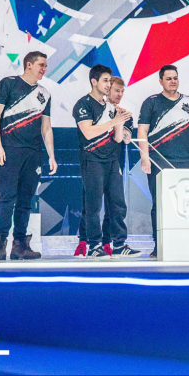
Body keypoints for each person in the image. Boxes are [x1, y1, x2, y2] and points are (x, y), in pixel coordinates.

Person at [0, 51, 57, 261]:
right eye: (41, 65)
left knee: (26, 200)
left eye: (45, 66)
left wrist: (51, 156)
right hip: (10, 149)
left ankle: (20, 245)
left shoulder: (45, 94)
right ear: (29, 65)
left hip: (33, 153)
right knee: (7, 197)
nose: (44, 69)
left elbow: (46, 127)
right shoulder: (8, 84)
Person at [138, 65, 189, 258]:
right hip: (159, 162)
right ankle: (159, 245)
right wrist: (145, 157)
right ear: (161, 81)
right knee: (160, 205)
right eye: (168, 78)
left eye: (175, 78)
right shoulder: (151, 102)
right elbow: (142, 131)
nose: (173, 81)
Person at [74, 74, 142, 259]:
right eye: (116, 90)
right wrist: (112, 122)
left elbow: (123, 139)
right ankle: (87, 242)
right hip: (92, 160)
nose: (119, 94)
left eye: (122, 91)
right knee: (92, 204)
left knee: (116, 205)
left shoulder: (124, 114)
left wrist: (119, 121)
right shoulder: (91, 107)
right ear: (106, 89)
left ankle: (114, 243)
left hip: (114, 161)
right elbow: (88, 132)